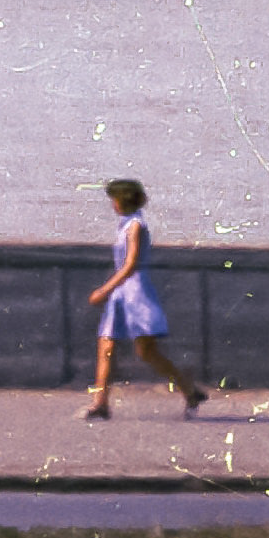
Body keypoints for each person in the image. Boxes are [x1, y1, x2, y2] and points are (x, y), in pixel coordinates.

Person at [81, 177, 209, 420]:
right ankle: (101, 404)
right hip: (122, 293)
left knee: (146, 352)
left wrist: (103, 291)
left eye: (115, 199)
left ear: (123, 200)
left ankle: (189, 390)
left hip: (135, 293)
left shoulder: (136, 226)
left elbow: (130, 265)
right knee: (106, 345)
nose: (113, 204)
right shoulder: (125, 224)